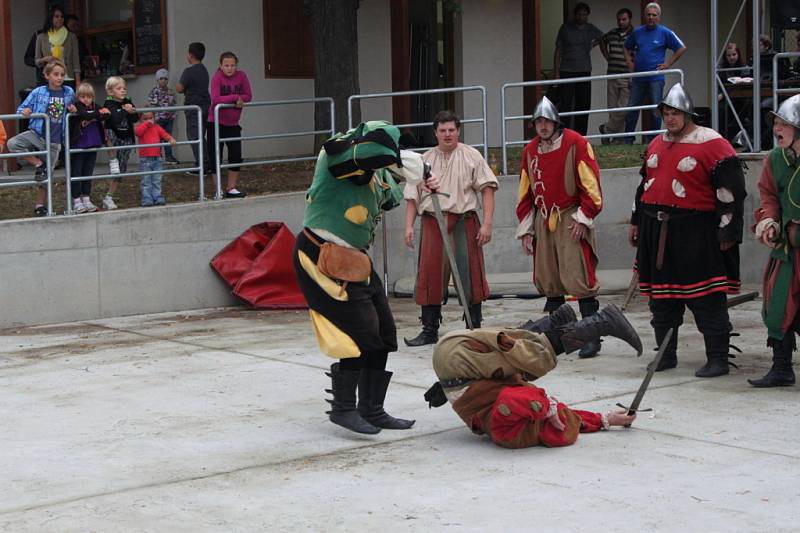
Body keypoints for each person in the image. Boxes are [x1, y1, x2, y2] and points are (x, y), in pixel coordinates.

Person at [292, 120, 430, 435]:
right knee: (358, 333)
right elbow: (367, 156)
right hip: (320, 256)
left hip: (354, 261)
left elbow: (391, 194)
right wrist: (401, 160)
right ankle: (343, 408)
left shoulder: (378, 172)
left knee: (382, 333)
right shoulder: (337, 154)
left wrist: (418, 177)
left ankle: (372, 408)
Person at [629, 82, 746, 378]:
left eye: (676, 113)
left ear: (688, 113)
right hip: (657, 230)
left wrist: (727, 233)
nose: (670, 118)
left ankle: (718, 358)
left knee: (706, 298)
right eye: (666, 112)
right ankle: (666, 355)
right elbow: (644, 186)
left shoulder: (714, 143)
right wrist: (636, 221)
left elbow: (731, 193)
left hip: (696, 233)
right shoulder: (656, 143)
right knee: (662, 299)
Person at [426, 303, 641, 449]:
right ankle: (557, 321)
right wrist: (606, 419)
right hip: (456, 365)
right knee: (515, 356)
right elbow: (572, 417)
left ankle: (601, 322)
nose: (560, 414)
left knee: (530, 360)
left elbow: (513, 401)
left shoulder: (508, 433)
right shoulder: (529, 421)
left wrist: (548, 406)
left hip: (457, 363)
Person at [516, 96, 604, 358]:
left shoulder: (576, 143)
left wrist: (583, 217)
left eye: (547, 121)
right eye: (539, 121)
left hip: (570, 218)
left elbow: (591, 187)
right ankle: (561, 337)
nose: (543, 126)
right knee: (549, 279)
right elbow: (525, 193)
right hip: (544, 219)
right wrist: (527, 230)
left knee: (579, 279)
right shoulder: (529, 150)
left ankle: (591, 337)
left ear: (556, 122)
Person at [403, 111, 497, 346]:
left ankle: (473, 328)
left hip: (465, 220)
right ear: (435, 132)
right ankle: (429, 329)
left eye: (451, 130)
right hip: (434, 221)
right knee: (430, 274)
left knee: (470, 274)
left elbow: (487, 189)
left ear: (458, 131)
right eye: (442, 130)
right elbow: (413, 197)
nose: (447, 134)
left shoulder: (471, 155)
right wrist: (408, 226)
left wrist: (487, 223)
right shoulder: (423, 160)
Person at [750, 94, 800, 388]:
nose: (777, 128)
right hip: (786, 250)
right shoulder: (775, 158)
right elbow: (768, 195)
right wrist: (768, 219)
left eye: (783, 123)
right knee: (778, 306)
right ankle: (781, 369)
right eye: (775, 123)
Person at [7, 60, 75, 217]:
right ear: (47, 76)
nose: (59, 78)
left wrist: (74, 109)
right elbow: (21, 108)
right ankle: (39, 164)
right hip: (37, 133)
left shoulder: (68, 92)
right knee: (13, 143)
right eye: (55, 74)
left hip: (55, 139)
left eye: (62, 75)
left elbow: (76, 108)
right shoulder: (38, 92)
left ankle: (40, 205)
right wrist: (24, 111)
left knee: (46, 177)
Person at [623, 2, 687, 144]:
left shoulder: (665, 32)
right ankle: (628, 139)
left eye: (654, 15)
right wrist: (630, 63)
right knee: (632, 109)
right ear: (644, 16)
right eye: (648, 15)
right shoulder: (637, 32)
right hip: (638, 77)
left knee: (655, 110)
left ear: (659, 17)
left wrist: (668, 64)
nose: (651, 17)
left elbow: (681, 48)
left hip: (655, 77)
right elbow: (626, 47)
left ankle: (653, 140)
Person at [553, 2, 603, 136]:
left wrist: (593, 46)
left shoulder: (590, 28)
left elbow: (603, 38)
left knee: (583, 103)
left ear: (587, 15)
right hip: (566, 69)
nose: (581, 17)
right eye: (579, 14)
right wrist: (556, 72)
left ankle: (581, 136)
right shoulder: (565, 28)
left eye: (584, 15)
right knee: (565, 104)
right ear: (575, 14)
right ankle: (564, 134)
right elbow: (558, 50)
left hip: (584, 69)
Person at [209, 51, 252, 198]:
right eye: (226, 65)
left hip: (233, 123)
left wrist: (239, 99)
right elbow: (215, 99)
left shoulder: (242, 76)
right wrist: (235, 98)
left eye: (233, 65)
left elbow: (248, 96)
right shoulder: (217, 77)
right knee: (216, 156)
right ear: (221, 66)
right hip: (215, 122)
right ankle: (218, 189)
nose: (230, 68)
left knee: (236, 155)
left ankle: (231, 187)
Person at [68, 82, 108, 214]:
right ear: (78, 97)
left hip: (93, 145)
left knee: (88, 173)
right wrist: (94, 115)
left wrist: (95, 114)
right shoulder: (76, 106)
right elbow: (85, 114)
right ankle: (76, 200)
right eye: (83, 96)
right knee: (76, 173)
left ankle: (86, 198)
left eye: (89, 96)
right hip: (78, 146)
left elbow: (107, 114)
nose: (86, 99)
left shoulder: (95, 106)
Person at [102, 76, 138, 210]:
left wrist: (132, 110)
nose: (123, 91)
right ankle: (113, 159)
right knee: (108, 134)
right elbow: (115, 119)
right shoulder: (109, 102)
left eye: (124, 88)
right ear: (111, 92)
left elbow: (135, 117)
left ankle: (109, 196)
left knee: (120, 170)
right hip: (113, 135)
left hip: (125, 137)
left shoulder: (128, 101)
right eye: (119, 88)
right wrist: (124, 110)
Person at [598, 8, 633, 144]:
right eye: (619, 19)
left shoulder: (635, 35)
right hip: (612, 74)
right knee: (612, 108)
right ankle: (617, 140)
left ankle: (606, 129)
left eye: (624, 19)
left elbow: (638, 55)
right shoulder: (612, 33)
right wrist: (607, 56)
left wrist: (632, 75)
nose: (621, 22)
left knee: (623, 109)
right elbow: (602, 40)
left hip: (626, 76)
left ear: (630, 19)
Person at [176, 42, 211, 176]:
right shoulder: (204, 69)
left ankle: (202, 165)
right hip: (205, 105)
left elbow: (179, 88)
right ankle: (206, 162)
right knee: (201, 135)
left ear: (190, 55)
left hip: (193, 107)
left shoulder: (189, 71)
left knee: (194, 136)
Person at [134, 112, 177, 207]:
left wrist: (170, 139)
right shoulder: (140, 127)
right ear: (140, 119)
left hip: (157, 158)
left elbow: (164, 134)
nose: (149, 120)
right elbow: (138, 133)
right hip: (145, 159)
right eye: (145, 118)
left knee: (157, 179)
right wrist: (146, 124)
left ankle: (157, 196)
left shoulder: (156, 127)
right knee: (146, 180)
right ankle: (146, 198)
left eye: (151, 118)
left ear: (154, 118)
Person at [34, 5, 81, 89]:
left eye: (62, 17)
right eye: (56, 16)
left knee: (67, 102)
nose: (60, 18)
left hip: (68, 78)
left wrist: (78, 82)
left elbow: (76, 61)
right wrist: (45, 59)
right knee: (51, 102)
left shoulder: (71, 36)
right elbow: (37, 61)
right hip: (50, 78)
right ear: (50, 18)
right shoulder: (41, 37)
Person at [148, 69, 179, 165]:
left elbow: (173, 104)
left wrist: (174, 114)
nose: (163, 80)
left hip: (169, 118)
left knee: (168, 137)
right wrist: (155, 116)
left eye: (165, 78)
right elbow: (151, 104)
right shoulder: (154, 91)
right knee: (158, 137)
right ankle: (158, 156)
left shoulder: (170, 91)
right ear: (157, 80)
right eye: (161, 78)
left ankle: (169, 156)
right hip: (159, 119)